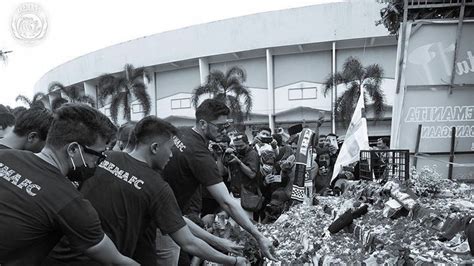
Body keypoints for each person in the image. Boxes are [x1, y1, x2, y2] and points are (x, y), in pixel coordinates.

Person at [49, 116, 247, 266]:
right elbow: (188, 243)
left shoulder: (103, 158)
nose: (171, 155)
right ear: (154, 147)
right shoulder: (157, 187)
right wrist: (233, 261)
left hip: (58, 253)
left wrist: (220, 242)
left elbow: (176, 219)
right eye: (169, 148)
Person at [0, 103, 137, 265]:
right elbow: (115, 261)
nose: (97, 163)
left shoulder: (4, 155)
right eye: (98, 155)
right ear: (73, 149)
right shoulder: (69, 202)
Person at [160, 99, 277, 264]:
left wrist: (220, 242)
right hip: (162, 223)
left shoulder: (181, 132)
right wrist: (258, 236)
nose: (225, 131)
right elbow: (227, 202)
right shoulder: (199, 154)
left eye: (227, 126)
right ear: (203, 124)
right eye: (220, 127)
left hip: (169, 212)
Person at [226, 133, 260, 218]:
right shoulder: (236, 153)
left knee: (246, 223)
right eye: (236, 146)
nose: (238, 148)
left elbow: (252, 174)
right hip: (234, 194)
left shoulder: (252, 154)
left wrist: (239, 162)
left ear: (247, 143)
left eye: (241, 146)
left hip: (247, 196)